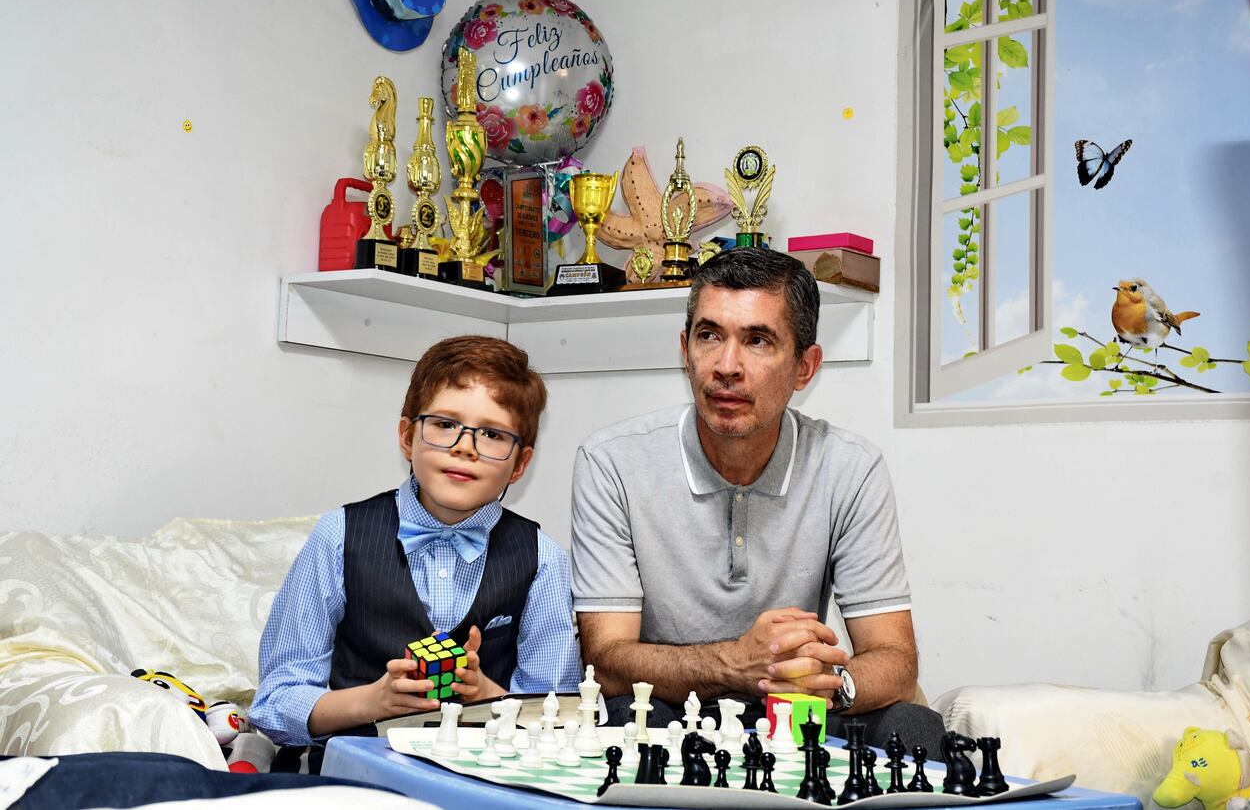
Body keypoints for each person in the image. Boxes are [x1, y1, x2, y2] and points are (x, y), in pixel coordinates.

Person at [570, 247, 944, 754]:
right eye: (709, 336)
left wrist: (829, 686)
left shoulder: (851, 468)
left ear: (805, 367)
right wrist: (734, 664)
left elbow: (895, 660)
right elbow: (607, 661)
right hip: (673, 706)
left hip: (795, 705)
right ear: (685, 350)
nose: (727, 366)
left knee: (915, 727)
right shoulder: (611, 461)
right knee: (627, 721)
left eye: (758, 341)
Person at [253, 336, 580, 772]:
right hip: (354, 777)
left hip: (482, 782)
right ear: (407, 437)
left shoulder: (542, 559)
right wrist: (373, 700)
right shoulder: (338, 536)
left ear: (519, 464)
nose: (465, 447)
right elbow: (276, 702)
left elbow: (556, 716)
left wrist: (487, 696)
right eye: (444, 424)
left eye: (492, 434)